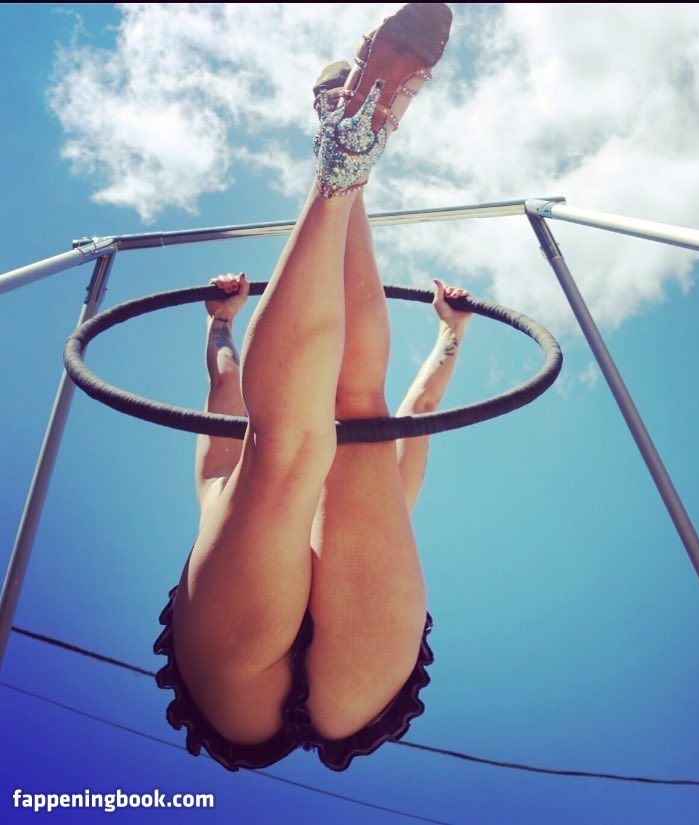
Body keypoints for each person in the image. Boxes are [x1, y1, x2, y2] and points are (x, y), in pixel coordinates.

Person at [154, 3, 470, 772]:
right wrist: (451, 335)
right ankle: (342, 155)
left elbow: (231, 384)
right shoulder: (238, 481)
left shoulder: (218, 484)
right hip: (334, 681)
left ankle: (343, 153)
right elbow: (416, 408)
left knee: (309, 435)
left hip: (305, 679)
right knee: (328, 428)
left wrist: (220, 325)